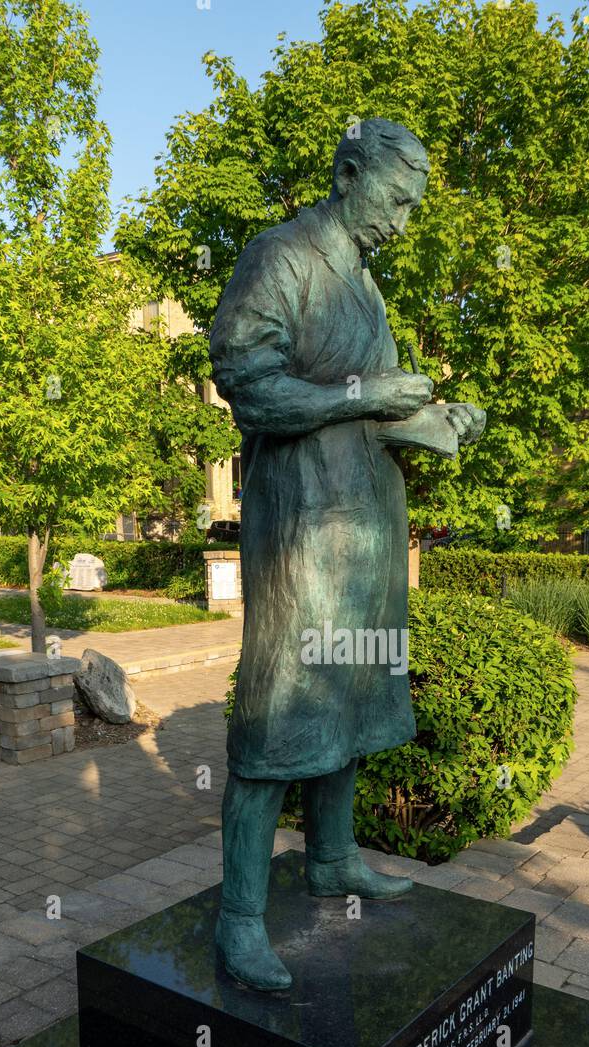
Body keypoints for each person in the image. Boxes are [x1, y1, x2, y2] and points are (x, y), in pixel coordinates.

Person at [208, 119, 485, 990]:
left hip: (366, 527)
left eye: (413, 207)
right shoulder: (280, 257)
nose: (402, 222)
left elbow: (372, 409)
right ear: (350, 172)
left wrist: (437, 423)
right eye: (397, 201)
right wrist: (363, 394)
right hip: (301, 530)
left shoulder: (366, 287)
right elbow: (247, 387)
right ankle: (240, 918)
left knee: (353, 694)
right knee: (279, 708)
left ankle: (332, 860)